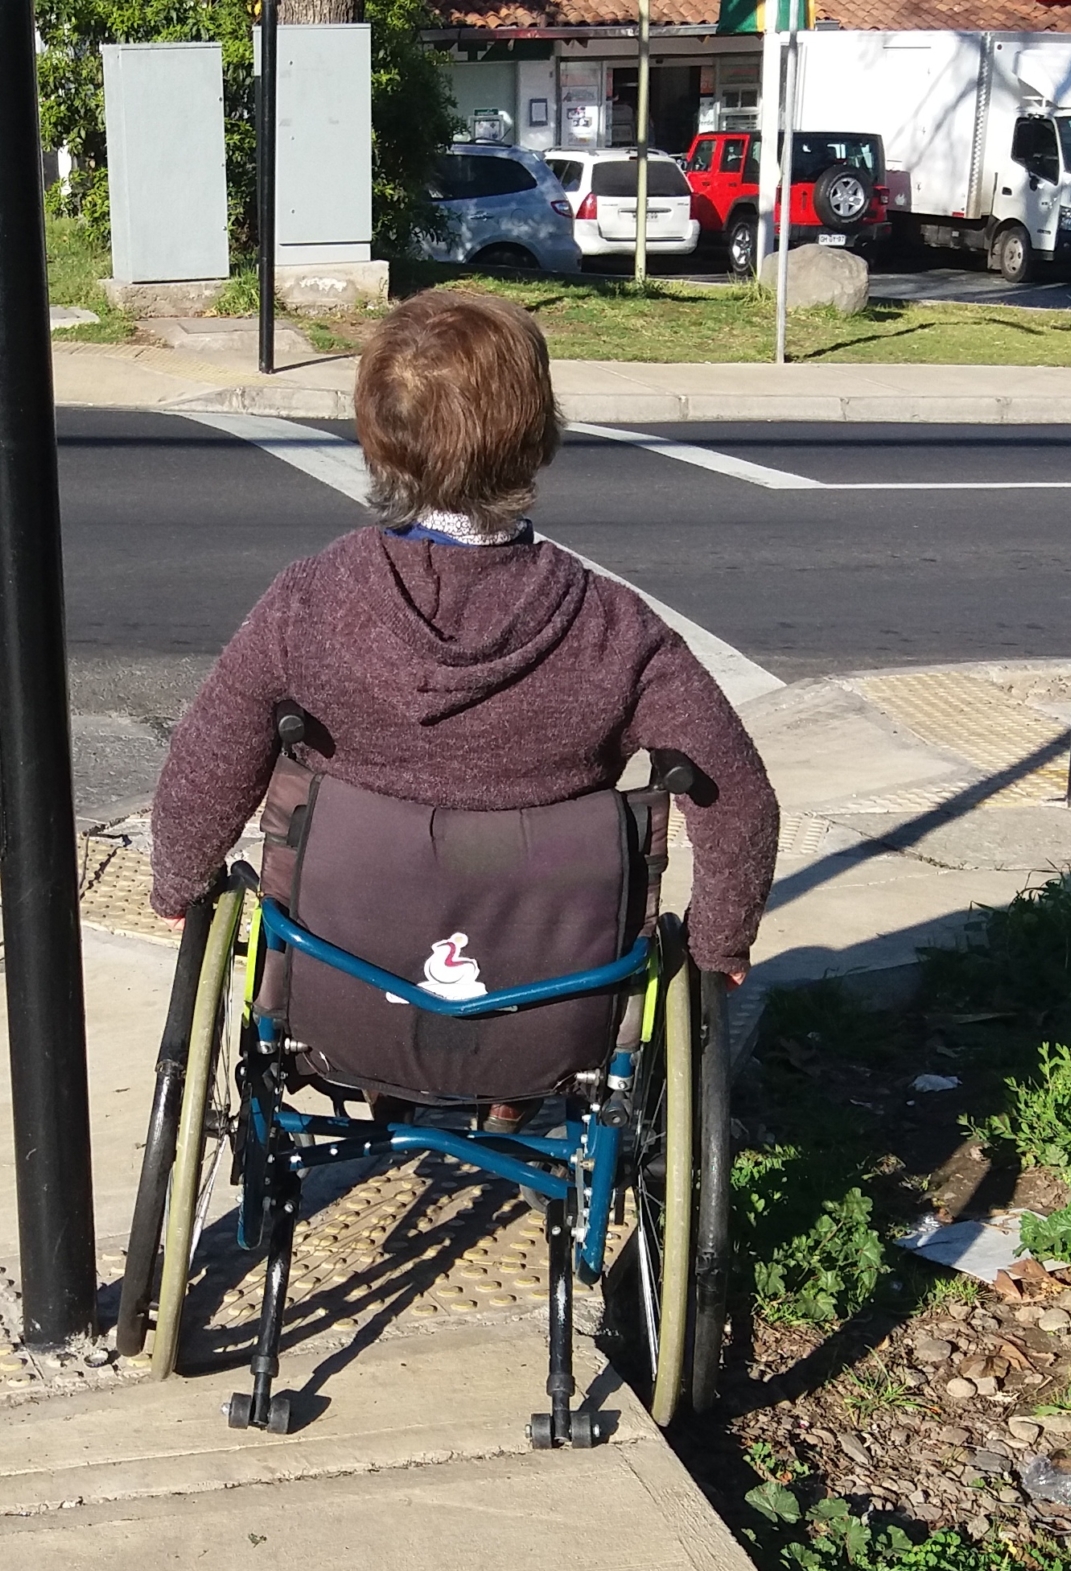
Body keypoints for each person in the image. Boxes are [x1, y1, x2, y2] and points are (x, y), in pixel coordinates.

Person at [146, 288, 779, 1107]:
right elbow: (739, 800)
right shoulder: (613, 630)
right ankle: (502, 1077)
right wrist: (719, 941)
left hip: (340, 987)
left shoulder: (309, 604)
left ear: (377, 440)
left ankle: (393, 1060)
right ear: (538, 437)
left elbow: (209, 762)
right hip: (550, 1005)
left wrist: (180, 885)